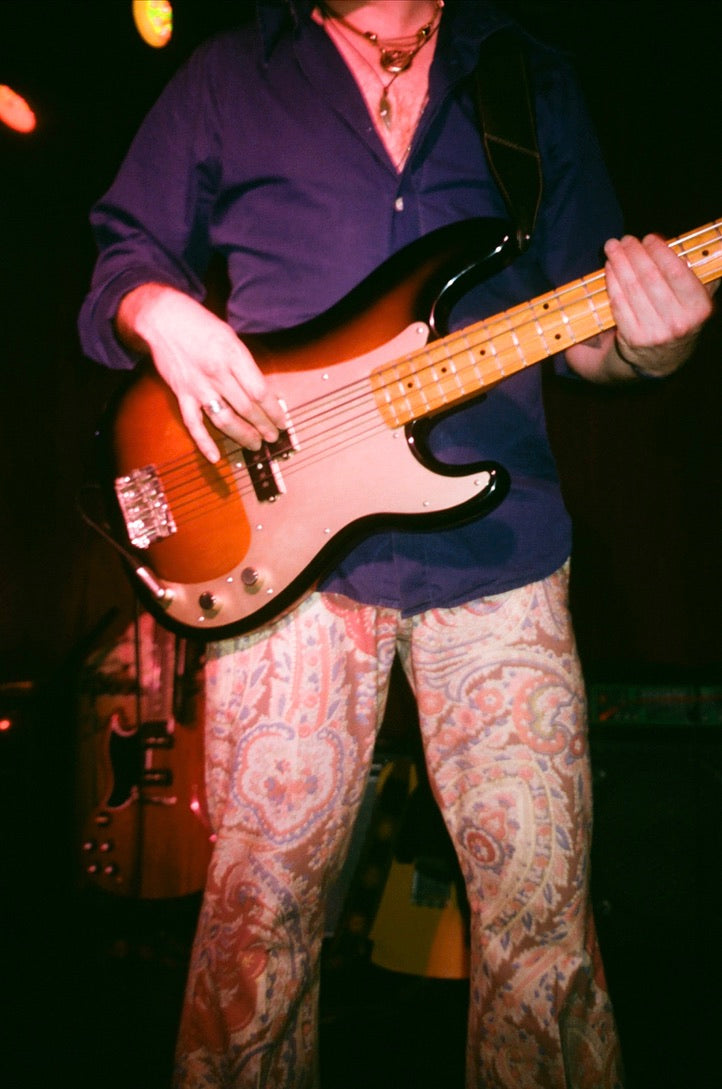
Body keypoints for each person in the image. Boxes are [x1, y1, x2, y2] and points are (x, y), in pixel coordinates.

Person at [78, 2, 715, 1086]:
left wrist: (651, 352)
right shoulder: (233, 71)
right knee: (255, 925)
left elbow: (591, 337)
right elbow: (119, 258)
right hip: (274, 550)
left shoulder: (527, 77)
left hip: (498, 553)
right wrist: (157, 311)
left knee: (541, 931)